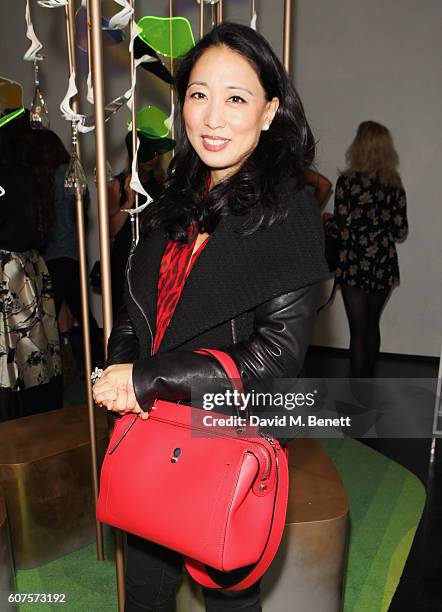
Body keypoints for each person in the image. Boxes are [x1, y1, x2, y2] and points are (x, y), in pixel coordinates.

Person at [92, 23, 329, 611]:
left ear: (270, 111)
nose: (213, 117)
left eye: (236, 98)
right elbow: (137, 315)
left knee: (227, 598)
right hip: (150, 433)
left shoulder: (289, 211)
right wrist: (123, 371)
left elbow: (275, 358)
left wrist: (146, 378)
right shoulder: (175, 199)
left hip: (227, 440)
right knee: (143, 591)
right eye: (199, 94)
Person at [324, 121, 408, 377]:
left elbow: (342, 226)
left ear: (358, 146)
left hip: (353, 262)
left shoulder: (347, 182)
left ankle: (357, 390)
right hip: (383, 263)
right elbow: (400, 231)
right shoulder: (394, 185)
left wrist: (328, 221)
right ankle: (369, 385)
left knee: (358, 330)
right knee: (372, 325)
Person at [0, 114, 62, 421]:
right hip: (30, 268)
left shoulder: (6, 176)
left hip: (9, 272)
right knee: (35, 352)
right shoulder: (37, 176)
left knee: (13, 353)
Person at [36, 128, 104, 369]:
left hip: (53, 255)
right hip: (73, 253)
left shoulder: (47, 178)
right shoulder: (72, 173)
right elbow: (82, 215)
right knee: (83, 314)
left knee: (47, 317)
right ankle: (98, 360)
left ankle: (55, 366)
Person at [108, 132, 175, 314]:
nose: (152, 159)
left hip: (151, 257)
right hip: (123, 259)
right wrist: (129, 201)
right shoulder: (117, 184)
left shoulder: (163, 186)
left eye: (155, 154)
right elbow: (110, 230)